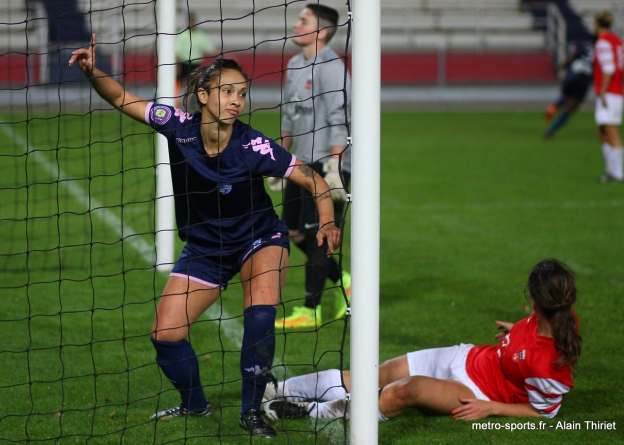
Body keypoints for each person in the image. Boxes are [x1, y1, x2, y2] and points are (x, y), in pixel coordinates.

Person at [69, 35, 341, 438]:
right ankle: (195, 404)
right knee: (166, 336)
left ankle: (251, 411)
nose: (237, 100)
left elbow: (313, 179)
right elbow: (123, 99)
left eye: (243, 93)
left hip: (259, 240)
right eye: (227, 91)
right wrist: (92, 72)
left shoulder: (254, 145)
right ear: (202, 94)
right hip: (205, 248)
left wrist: (328, 222)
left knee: (260, 315)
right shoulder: (177, 126)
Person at [263, 259, 582, 422]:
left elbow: (543, 412)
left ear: (536, 299)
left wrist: (491, 407)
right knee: (377, 373)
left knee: (403, 392)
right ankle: (281, 389)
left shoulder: (546, 364)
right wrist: (516, 334)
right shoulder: (555, 317)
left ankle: (310, 413)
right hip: (467, 357)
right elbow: (531, 338)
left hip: (479, 391)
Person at [271, 3, 352, 330]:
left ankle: (312, 309)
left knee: (319, 233)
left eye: (303, 20)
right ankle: (343, 278)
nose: (296, 24)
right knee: (290, 231)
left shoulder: (332, 67)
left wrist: (334, 165)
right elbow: (289, 116)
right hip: (300, 164)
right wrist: (279, 158)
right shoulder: (293, 64)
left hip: (327, 163)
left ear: (321, 31)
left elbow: (339, 119)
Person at [593, 10, 624, 182]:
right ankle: (610, 169)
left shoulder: (603, 42)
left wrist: (603, 90)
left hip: (610, 92)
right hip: (616, 91)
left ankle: (617, 173)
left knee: (611, 131)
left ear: (597, 24)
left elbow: (609, 69)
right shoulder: (618, 41)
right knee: (601, 130)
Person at [544, 40, 594, 139]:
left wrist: (562, 65)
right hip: (585, 78)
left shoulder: (580, 43)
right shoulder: (599, 47)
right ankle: (550, 131)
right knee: (570, 108)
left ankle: (554, 106)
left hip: (573, 75)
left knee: (565, 96)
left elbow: (573, 55)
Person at [175, 13, 216, 101]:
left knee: (195, 84)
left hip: (196, 64)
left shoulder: (200, 36)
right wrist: (177, 66)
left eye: (193, 21)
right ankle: (175, 100)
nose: (192, 23)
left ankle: (193, 101)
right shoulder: (182, 35)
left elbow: (209, 49)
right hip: (183, 63)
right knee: (177, 82)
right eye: (190, 21)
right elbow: (177, 51)